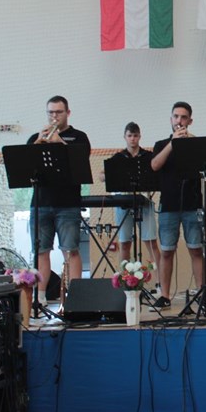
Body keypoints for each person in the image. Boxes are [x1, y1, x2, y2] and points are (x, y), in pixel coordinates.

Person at [27, 95, 91, 304]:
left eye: (59, 112)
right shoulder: (36, 137)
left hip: (68, 204)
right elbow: (26, 168)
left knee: (71, 250)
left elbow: (80, 162)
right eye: (51, 112)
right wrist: (37, 143)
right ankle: (40, 298)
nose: (54, 116)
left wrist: (60, 143)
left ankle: (76, 299)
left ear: (68, 113)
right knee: (41, 251)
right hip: (41, 203)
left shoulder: (79, 137)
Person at [150, 102, 204, 310]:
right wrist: (173, 143)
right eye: (176, 116)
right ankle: (164, 295)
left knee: (196, 250)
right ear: (171, 119)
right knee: (166, 251)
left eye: (183, 117)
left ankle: (201, 293)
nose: (179, 120)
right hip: (169, 206)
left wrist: (190, 144)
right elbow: (155, 165)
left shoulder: (196, 144)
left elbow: (204, 167)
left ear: (190, 121)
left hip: (192, 204)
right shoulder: (161, 144)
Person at [103, 122, 159, 279]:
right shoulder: (118, 157)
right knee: (124, 242)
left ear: (139, 137)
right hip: (124, 202)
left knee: (151, 242)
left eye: (135, 136)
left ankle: (159, 283)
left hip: (144, 202)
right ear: (125, 137)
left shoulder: (148, 156)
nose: (132, 139)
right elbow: (102, 175)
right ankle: (125, 280)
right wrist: (109, 175)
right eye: (129, 136)